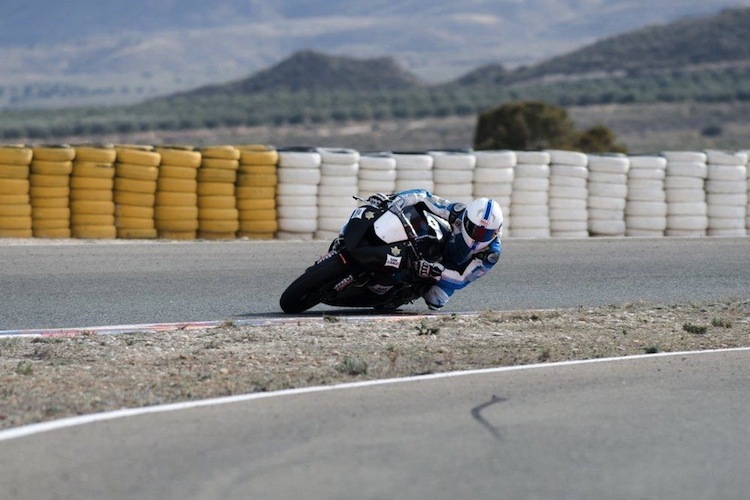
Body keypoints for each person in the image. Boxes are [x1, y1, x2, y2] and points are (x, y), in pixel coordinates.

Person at [367, 188, 503, 310]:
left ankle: (406, 293)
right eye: (474, 230)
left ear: (496, 232)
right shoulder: (458, 213)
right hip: (442, 242)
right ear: (466, 218)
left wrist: (436, 271)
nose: (477, 237)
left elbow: (462, 279)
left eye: (486, 234)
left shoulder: (490, 254)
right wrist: (396, 200)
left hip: (452, 269)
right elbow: (423, 197)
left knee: (436, 300)